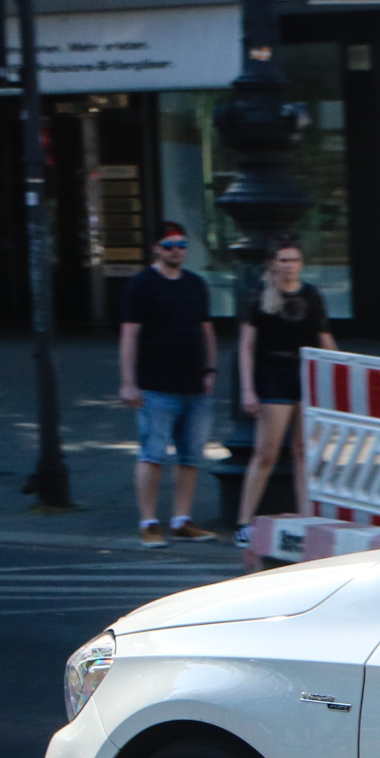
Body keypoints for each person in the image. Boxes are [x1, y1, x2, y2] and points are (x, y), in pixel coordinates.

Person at [118, 221, 219, 547]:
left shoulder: (195, 284)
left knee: (191, 456)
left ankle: (182, 518)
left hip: (194, 383)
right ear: (156, 248)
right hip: (155, 385)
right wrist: (128, 382)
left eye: (182, 244)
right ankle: (148, 520)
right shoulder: (141, 285)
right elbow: (129, 333)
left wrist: (210, 370)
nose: (177, 250)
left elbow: (206, 329)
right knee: (153, 454)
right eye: (170, 244)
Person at [233, 239, 338, 551]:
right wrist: (248, 388)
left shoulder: (311, 296)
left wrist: (342, 371)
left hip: (304, 374)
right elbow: (246, 346)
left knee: (303, 451)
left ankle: (306, 519)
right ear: (273, 264)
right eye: (283, 259)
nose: (290, 265)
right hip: (272, 375)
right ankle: (243, 521)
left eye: (294, 259)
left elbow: (325, 338)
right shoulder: (258, 298)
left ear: (301, 263)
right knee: (266, 451)